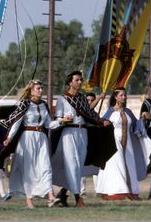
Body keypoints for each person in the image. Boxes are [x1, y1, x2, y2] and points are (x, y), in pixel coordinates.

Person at [51, 71, 112, 208]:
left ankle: (62, 195)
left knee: (77, 165)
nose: (80, 82)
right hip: (69, 132)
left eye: (80, 80)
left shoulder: (83, 99)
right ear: (70, 82)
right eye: (77, 80)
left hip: (82, 132)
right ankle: (78, 198)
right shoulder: (62, 99)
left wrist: (101, 122)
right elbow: (57, 118)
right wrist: (64, 120)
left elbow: (89, 115)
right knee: (72, 164)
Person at [2, 80, 63, 209]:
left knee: (45, 166)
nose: (41, 90)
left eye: (41, 88)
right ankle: (29, 201)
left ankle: (51, 196)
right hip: (27, 138)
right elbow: (16, 122)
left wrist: (62, 121)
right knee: (28, 169)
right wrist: (9, 137)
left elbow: (48, 125)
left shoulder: (44, 105)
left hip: (42, 138)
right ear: (31, 91)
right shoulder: (25, 104)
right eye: (38, 88)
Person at [95, 88, 147, 200]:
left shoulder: (128, 112)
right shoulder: (110, 111)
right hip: (114, 142)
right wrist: (103, 123)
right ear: (115, 97)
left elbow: (135, 126)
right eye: (121, 95)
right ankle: (118, 192)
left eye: (125, 95)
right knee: (117, 166)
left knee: (129, 165)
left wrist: (142, 117)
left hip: (128, 143)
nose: (124, 97)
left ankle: (132, 191)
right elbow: (100, 123)